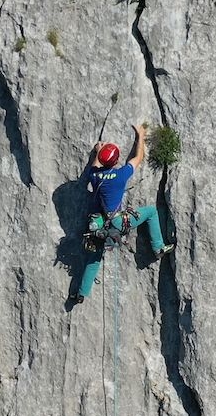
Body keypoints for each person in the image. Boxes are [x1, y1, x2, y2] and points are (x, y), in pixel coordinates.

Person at [69, 124, 174, 305]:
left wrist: (98, 151)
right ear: (116, 161)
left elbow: (95, 165)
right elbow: (138, 157)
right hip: (118, 222)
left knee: (94, 258)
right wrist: (140, 135)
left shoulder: (94, 175)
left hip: (99, 225)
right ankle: (158, 247)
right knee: (151, 211)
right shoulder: (120, 175)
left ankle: (81, 293)